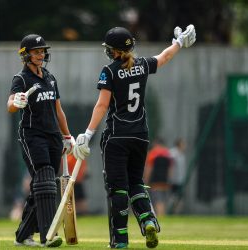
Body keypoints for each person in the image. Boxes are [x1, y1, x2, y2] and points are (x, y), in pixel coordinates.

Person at [73, 25, 196, 249]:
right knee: (136, 184)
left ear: (114, 51)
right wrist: (178, 43)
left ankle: (120, 240)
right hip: (140, 135)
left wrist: (88, 133)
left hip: (116, 136)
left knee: (118, 188)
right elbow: (165, 56)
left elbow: (102, 105)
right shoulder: (142, 65)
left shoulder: (109, 71)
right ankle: (148, 219)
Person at [7, 33, 75, 247]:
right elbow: (10, 104)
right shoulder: (21, 79)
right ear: (25, 55)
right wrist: (16, 101)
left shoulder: (49, 77)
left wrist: (67, 135)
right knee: (44, 179)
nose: (41, 54)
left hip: (53, 136)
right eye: (36, 52)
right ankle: (49, 235)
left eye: (42, 51)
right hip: (32, 135)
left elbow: (58, 110)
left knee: (44, 186)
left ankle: (22, 235)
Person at [144, 138, 172, 217]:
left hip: (155, 180)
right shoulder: (167, 153)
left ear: (156, 144)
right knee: (163, 199)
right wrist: (169, 179)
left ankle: (160, 217)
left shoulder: (152, 153)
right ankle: (162, 215)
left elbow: (149, 168)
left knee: (157, 200)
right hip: (165, 180)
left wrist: (146, 180)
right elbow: (170, 169)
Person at [169, 137, 186, 213]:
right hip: (173, 180)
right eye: (183, 144)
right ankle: (170, 212)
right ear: (179, 144)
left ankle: (176, 213)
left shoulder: (182, 154)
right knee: (173, 198)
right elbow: (170, 165)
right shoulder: (173, 153)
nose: (185, 146)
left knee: (179, 199)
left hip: (180, 180)